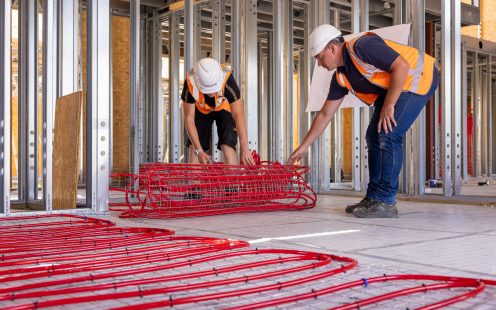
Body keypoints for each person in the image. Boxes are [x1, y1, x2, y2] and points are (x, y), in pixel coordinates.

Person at [288, 24, 439, 218]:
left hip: (418, 76)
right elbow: (325, 114)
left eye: (319, 57)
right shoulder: (341, 76)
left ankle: (386, 201)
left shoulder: (362, 47)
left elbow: (401, 66)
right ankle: (374, 196)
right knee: (372, 136)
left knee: (389, 133)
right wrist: (304, 146)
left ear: (332, 49)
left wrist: (389, 104)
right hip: (396, 87)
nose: (319, 63)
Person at [182, 58, 255, 166]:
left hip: (223, 107)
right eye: (208, 90)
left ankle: (231, 182)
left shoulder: (227, 79)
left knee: (228, 146)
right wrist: (199, 151)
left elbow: (238, 115)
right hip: (201, 109)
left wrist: (245, 149)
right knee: (194, 152)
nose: (211, 93)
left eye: (214, 90)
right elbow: (189, 119)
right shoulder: (190, 82)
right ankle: (195, 182)